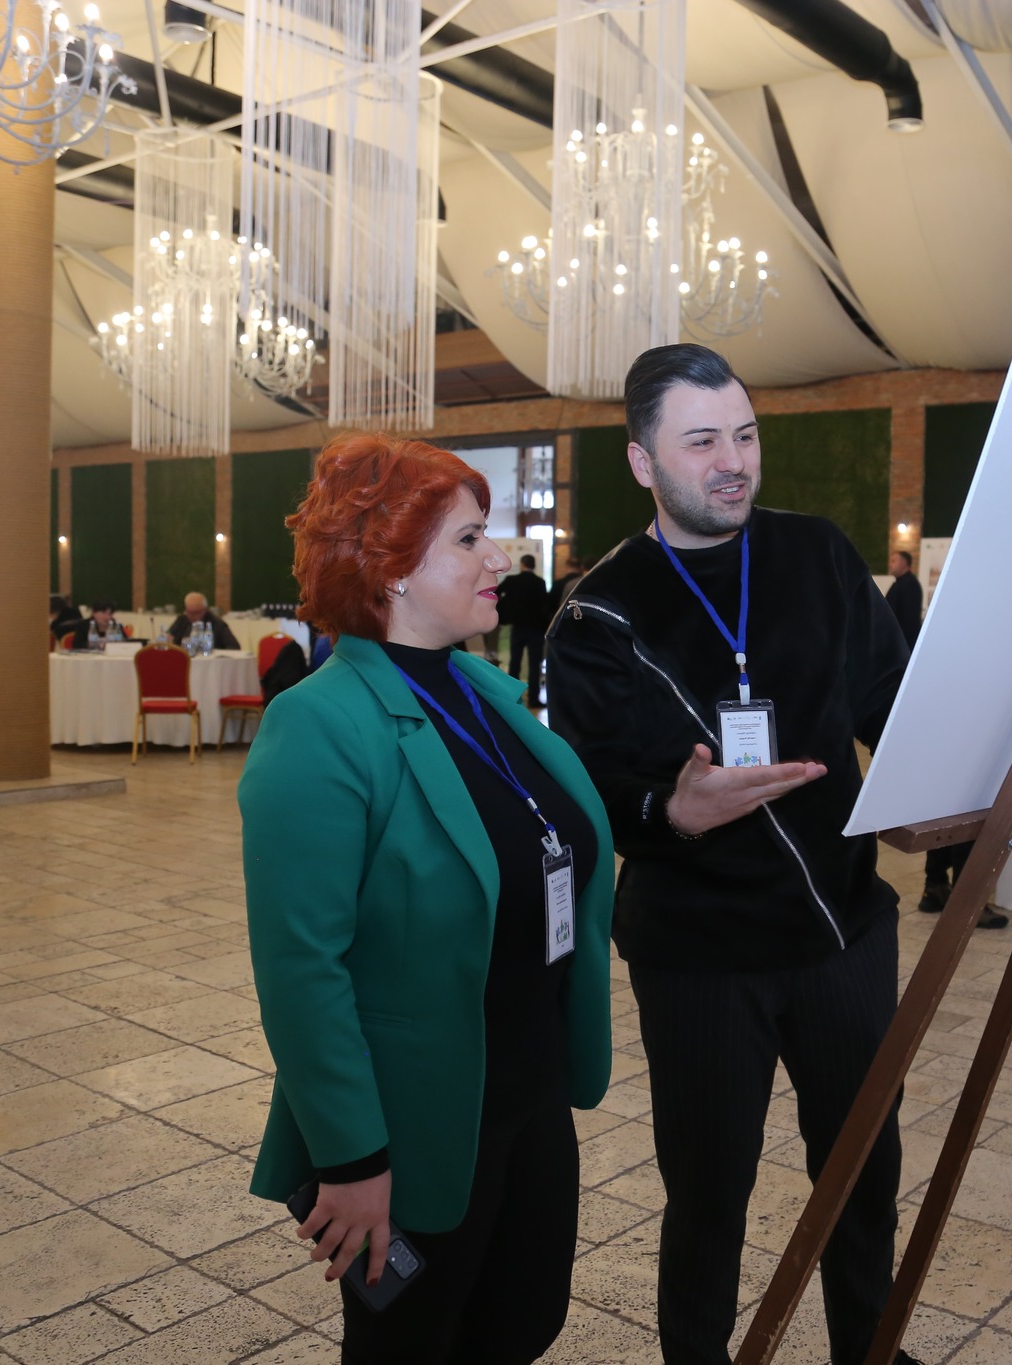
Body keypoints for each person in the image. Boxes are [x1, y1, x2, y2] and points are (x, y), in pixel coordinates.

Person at [546, 343, 922, 1365]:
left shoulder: (818, 554)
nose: (733, 462)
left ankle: (869, 1349)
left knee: (864, 1170)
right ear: (642, 462)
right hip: (699, 954)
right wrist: (671, 808)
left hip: (842, 929)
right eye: (703, 441)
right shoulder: (598, 612)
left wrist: (945, 780)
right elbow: (584, 795)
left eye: (746, 436)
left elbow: (891, 703)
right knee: (709, 1191)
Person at [240, 434, 615, 1365]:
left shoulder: (485, 692)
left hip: (530, 1086)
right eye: (470, 539)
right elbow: (301, 967)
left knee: (521, 1323)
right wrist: (353, 1160)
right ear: (390, 567)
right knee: (412, 1343)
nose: (500, 558)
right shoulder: (319, 724)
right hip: (415, 1116)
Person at [496, 556, 551, 704]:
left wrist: (504, 610)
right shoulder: (540, 582)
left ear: (522, 565)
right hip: (535, 629)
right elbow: (544, 607)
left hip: (517, 626)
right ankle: (533, 698)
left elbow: (496, 593)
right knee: (534, 665)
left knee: (515, 662)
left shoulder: (512, 580)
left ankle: (512, 696)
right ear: (533, 565)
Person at [166, 592, 241, 650]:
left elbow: (234, 647)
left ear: (204, 610)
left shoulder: (217, 624)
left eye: (195, 613)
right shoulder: (182, 619)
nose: (191, 616)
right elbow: (169, 639)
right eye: (188, 612)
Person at [883, 549, 922, 649]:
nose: (890, 564)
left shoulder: (909, 585)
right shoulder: (901, 583)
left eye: (893, 561)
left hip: (904, 643)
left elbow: (909, 619)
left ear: (904, 563)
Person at [65, 600, 129, 649]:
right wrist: (92, 644)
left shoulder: (116, 625)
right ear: (93, 613)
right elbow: (76, 645)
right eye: (103, 613)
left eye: (110, 614)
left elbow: (126, 643)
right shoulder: (83, 625)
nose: (107, 617)